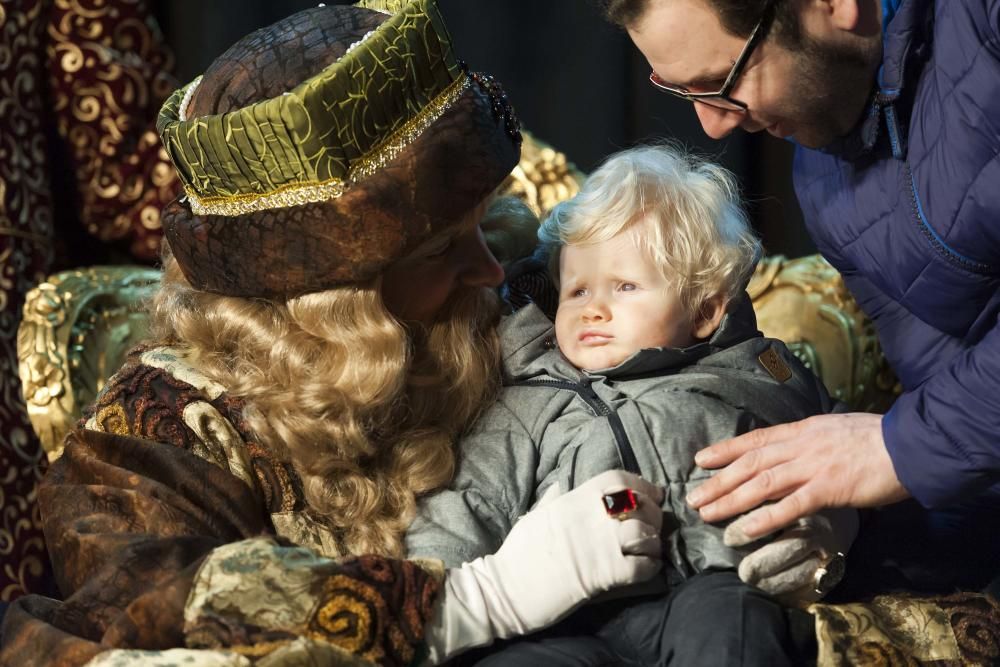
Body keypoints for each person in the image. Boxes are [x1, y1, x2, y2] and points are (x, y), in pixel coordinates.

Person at [0, 2, 668, 664]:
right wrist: (471, 601)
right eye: (439, 250)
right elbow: (147, 594)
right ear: (333, 299)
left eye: (479, 223)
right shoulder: (156, 428)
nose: (488, 269)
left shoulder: (509, 297)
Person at [604, 0, 1000, 595]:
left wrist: (899, 447)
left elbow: (929, 435)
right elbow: (969, 444)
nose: (713, 126)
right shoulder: (823, 181)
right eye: (683, 91)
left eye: (721, 84)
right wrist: (846, 539)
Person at [407, 144, 855, 665]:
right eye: (576, 291)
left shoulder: (757, 374)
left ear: (706, 309)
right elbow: (470, 499)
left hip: (710, 589)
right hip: (567, 615)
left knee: (735, 624)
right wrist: (433, 584)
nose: (593, 309)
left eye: (624, 286)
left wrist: (835, 518)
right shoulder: (524, 397)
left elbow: (837, 445)